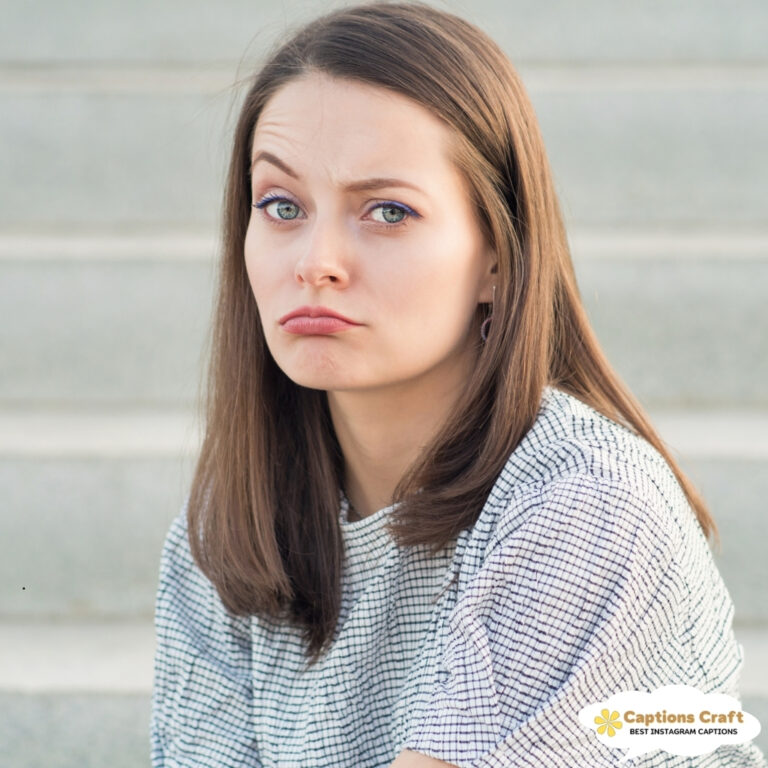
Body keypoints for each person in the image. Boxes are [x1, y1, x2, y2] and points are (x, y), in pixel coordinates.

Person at [150, 3, 766, 766]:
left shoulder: (592, 505)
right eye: (281, 206)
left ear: (498, 259)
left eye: (388, 211)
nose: (315, 260)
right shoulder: (230, 522)